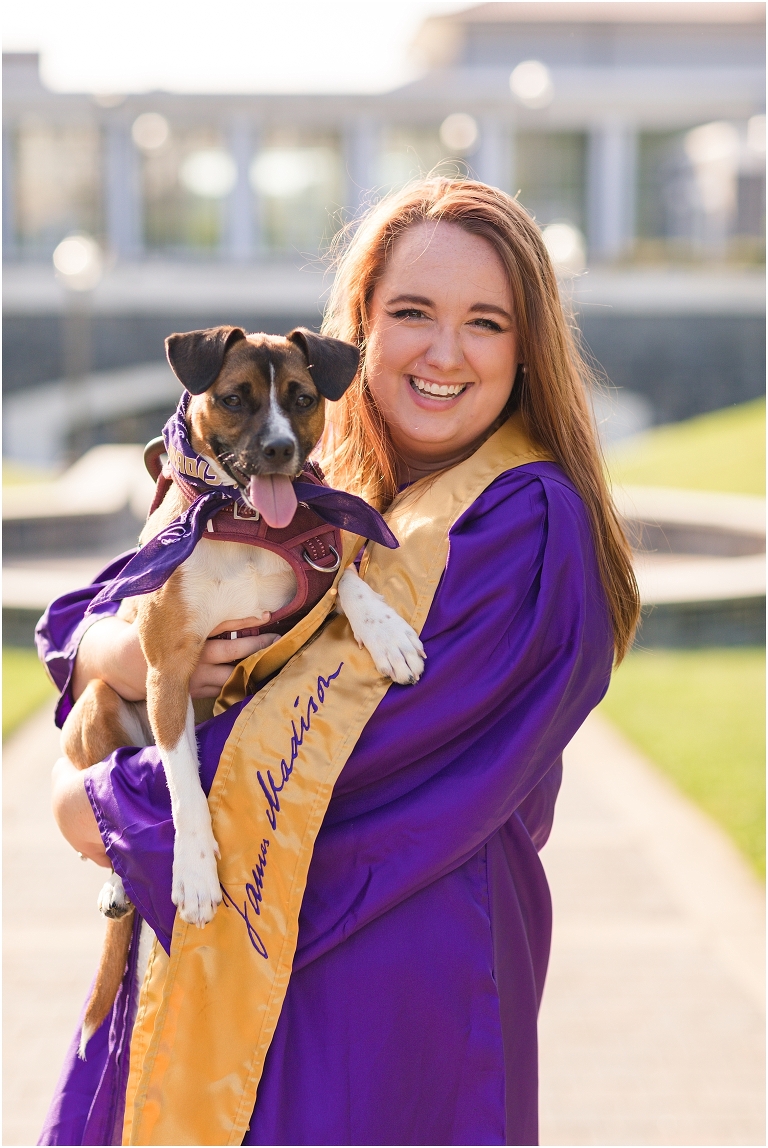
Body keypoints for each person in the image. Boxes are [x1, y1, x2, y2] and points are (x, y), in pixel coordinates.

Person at [39, 178, 639, 1147]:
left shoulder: (522, 522)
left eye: (485, 322)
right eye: (411, 312)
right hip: (273, 986)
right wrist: (126, 649)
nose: (444, 352)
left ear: (526, 350)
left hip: (399, 1011)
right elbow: (98, 615)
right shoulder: (325, 499)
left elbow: (344, 762)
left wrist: (100, 807)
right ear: (358, 328)